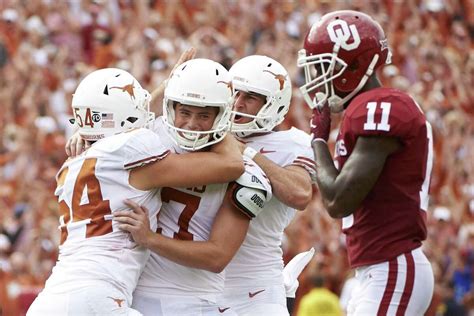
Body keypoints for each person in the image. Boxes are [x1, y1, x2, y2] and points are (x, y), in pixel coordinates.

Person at [27, 68, 245, 316]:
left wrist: (166, 88)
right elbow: (231, 165)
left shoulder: (73, 162)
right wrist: (222, 118)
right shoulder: (134, 151)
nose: (146, 110)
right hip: (98, 297)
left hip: (49, 300)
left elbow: (117, 122)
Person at [298, 10, 434, 315]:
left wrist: (318, 140)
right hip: (378, 269)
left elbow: (338, 200)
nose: (319, 79)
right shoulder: (368, 109)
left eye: (325, 67)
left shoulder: (379, 107)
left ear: (355, 66)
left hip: (392, 266)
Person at [112, 58, 273, 316]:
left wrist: (151, 239)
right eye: (185, 112)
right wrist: (82, 136)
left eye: (204, 115)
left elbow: (217, 256)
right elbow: (115, 125)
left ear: (222, 114)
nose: (191, 124)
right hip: (134, 290)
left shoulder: (247, 173)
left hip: (193, 299)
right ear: (171, 108)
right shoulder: (150, 138)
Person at [218, 55, 316, 315]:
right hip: (203, 286)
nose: (237, 103)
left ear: (273, 104)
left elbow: (299, 193)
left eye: (249, 97)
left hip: (257, 289)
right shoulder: (211, 136)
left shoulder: (292, 143)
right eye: (234, 94)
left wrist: (247, 153)